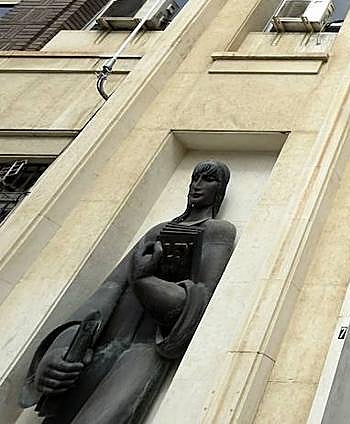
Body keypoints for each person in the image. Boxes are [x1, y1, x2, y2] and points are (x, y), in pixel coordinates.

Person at [20, 160, 236, 424]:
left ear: (220, 190)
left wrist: (145, 279)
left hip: (145, 349)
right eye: (195, 178)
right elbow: (108, 290)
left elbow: (197, 301)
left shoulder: (218, 232)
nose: (197, 185)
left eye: (208, 180)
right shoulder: (156, 230)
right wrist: (60, 348)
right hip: (102, 344)